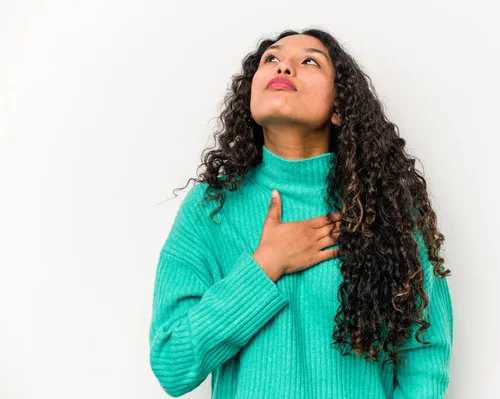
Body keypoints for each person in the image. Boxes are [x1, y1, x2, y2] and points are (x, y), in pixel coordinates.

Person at [149, 28, 453, 399]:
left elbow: (423, 357)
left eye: (309, 61)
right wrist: (266, 265)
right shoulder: (211, 208)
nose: (285, 67)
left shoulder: (385, 207)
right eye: (271, 59)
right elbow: (172, 363)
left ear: (340, 107)